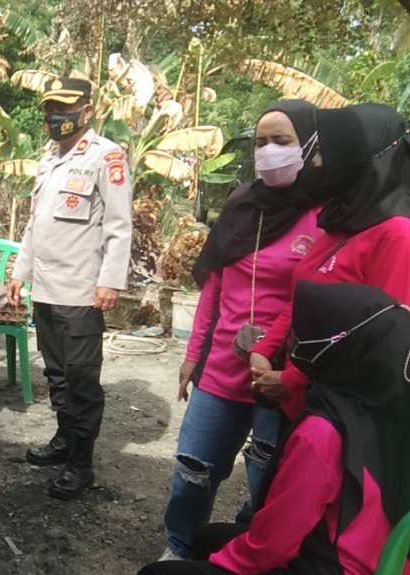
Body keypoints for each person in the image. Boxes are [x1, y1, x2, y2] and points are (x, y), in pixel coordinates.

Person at [138, 281, 410, 575]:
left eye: (299, 334)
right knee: (207, 537)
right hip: (377, 557)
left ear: (335, 347)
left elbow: (273, 545)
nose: (290, 342)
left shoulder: (323, 431)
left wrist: (220, 564)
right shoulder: (385, 407)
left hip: (331, 565)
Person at [160, 100, 326, 560]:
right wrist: (192, 356)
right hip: (220, 369)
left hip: (281, 378)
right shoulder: (241, 206)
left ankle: (251, 551)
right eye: (261, 142)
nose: (269, 151)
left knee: (269, 480)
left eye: (282, 141)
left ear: (309, 145)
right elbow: (212, 290)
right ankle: (179, 549)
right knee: (193, 470)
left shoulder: (325, 215)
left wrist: (287, 368)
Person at [6, 76, 133, 499]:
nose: (54, 117)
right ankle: (63, 441)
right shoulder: (48, 159)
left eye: (63, 108)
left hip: (81, 292)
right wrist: (20, 273)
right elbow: (34, 224)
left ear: (87, 110)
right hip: (45, 290)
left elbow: (119, 225)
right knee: (57, 375)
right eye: (50, 110)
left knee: (81, 381)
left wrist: (110, 281)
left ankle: (81, 464)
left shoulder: (106, 156)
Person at [249, 103, 410, 421]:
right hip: (300, 401)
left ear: (355, 158)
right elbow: (304, 299)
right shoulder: (339, 223)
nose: (316, 162)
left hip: (338, 413)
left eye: (324, 152)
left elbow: (380, 339)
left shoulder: (397, 236)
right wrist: (264, 348)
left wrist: (292, 380)